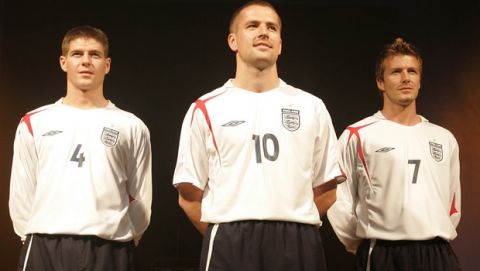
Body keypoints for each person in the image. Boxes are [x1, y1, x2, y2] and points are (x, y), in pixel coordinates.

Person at [172, 1, 345, 270]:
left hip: (299, 240)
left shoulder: (311, 106)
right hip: (230, 240)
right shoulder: (205, 108)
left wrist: (292, 222)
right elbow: (189, 196)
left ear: (280, 44)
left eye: (271, 28)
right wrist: (229, 236)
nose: (263, 32)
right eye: (252, 26)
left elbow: (327, 189)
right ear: (233, 41)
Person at [9, 25, 152, 271]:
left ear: (107, 65)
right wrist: (33, 235)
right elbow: (22, 193)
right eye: (77, 54)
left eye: (94, 54)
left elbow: (141, 198)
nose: (86, 61)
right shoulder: (34, 122)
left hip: (110, 249)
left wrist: (121, 238)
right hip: (44, 246)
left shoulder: (131, 125)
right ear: (63, 62)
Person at [327, 38, 461, 271]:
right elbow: (339, 199)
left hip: (437, 254)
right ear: (381, 81)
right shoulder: (357, 135)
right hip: (383, 254)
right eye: (396, 72)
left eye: (412, 71)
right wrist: (365, 241)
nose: (406, 78)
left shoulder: (443, 137)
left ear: (420, 80)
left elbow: (452, 204)